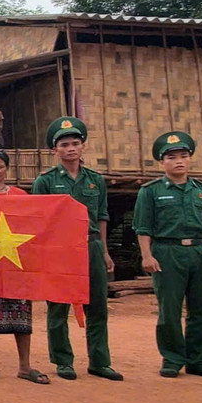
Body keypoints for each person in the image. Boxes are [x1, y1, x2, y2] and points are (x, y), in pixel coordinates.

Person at [31, 117, 122, 381]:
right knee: (58, 306)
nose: (70, 148)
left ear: (83, 147)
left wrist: (104, 250)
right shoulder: (45, 181)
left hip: (90, 244)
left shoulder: (96, 180)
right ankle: (63, 361)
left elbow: (102, 216)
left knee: (97, 305)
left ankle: (100, 361)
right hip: (60, 248)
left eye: (75, 143)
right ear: (54, 150)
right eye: (64, 144)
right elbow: (40, 219)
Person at [134, 131, 202, 380]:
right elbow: (143, 228)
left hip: (201, 251)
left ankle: (199, 360)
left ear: (190, 159)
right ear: (161, 162)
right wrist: (147, 256)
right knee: (170, 309)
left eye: (183, 156)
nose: (178, 161)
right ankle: (173, 358)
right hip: (167, 252)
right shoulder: (151, 192)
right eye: (172, 157)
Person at [0, 151, 49, 385]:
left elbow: (35, 225)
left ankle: (24, 366)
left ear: (7, 169)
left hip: (17, 264)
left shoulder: (21, 196)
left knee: (23, 317)